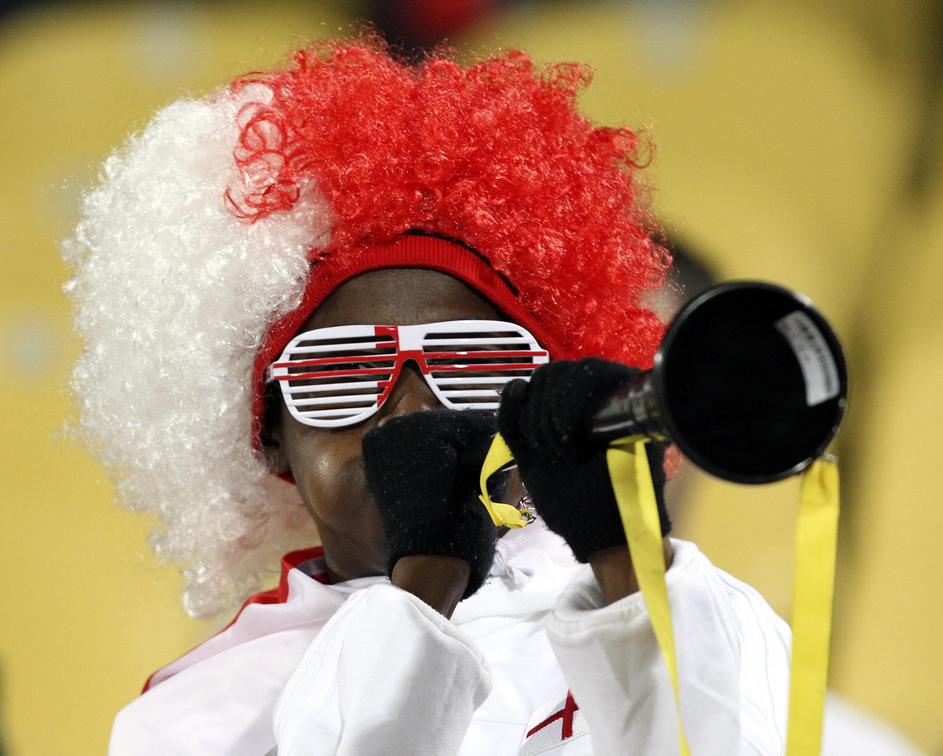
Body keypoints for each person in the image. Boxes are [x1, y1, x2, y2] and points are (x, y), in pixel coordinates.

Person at [65, 38, 790, 755]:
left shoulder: (708, 619)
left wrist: (623, 556)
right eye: (341, 375)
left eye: (475, 365)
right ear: (270, 438)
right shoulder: (198, 717)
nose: (414, 416)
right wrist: (425, 586)